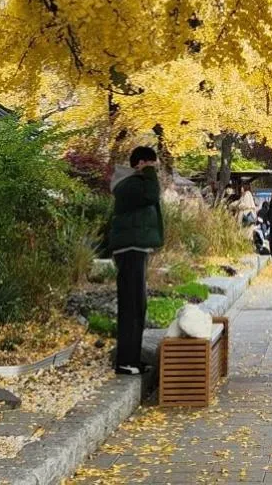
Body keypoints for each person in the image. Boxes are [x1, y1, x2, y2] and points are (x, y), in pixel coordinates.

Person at [108, 145, 164, 376]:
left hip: (135, 248)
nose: (155, 170)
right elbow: (152, 194)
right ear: (140, 163)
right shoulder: (130, 184)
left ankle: (131, 359)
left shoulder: (134, 183)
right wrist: (148, 172)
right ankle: (125, 361)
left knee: (137, 305)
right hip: (129, 249)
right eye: (153, 165)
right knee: (131, 305)